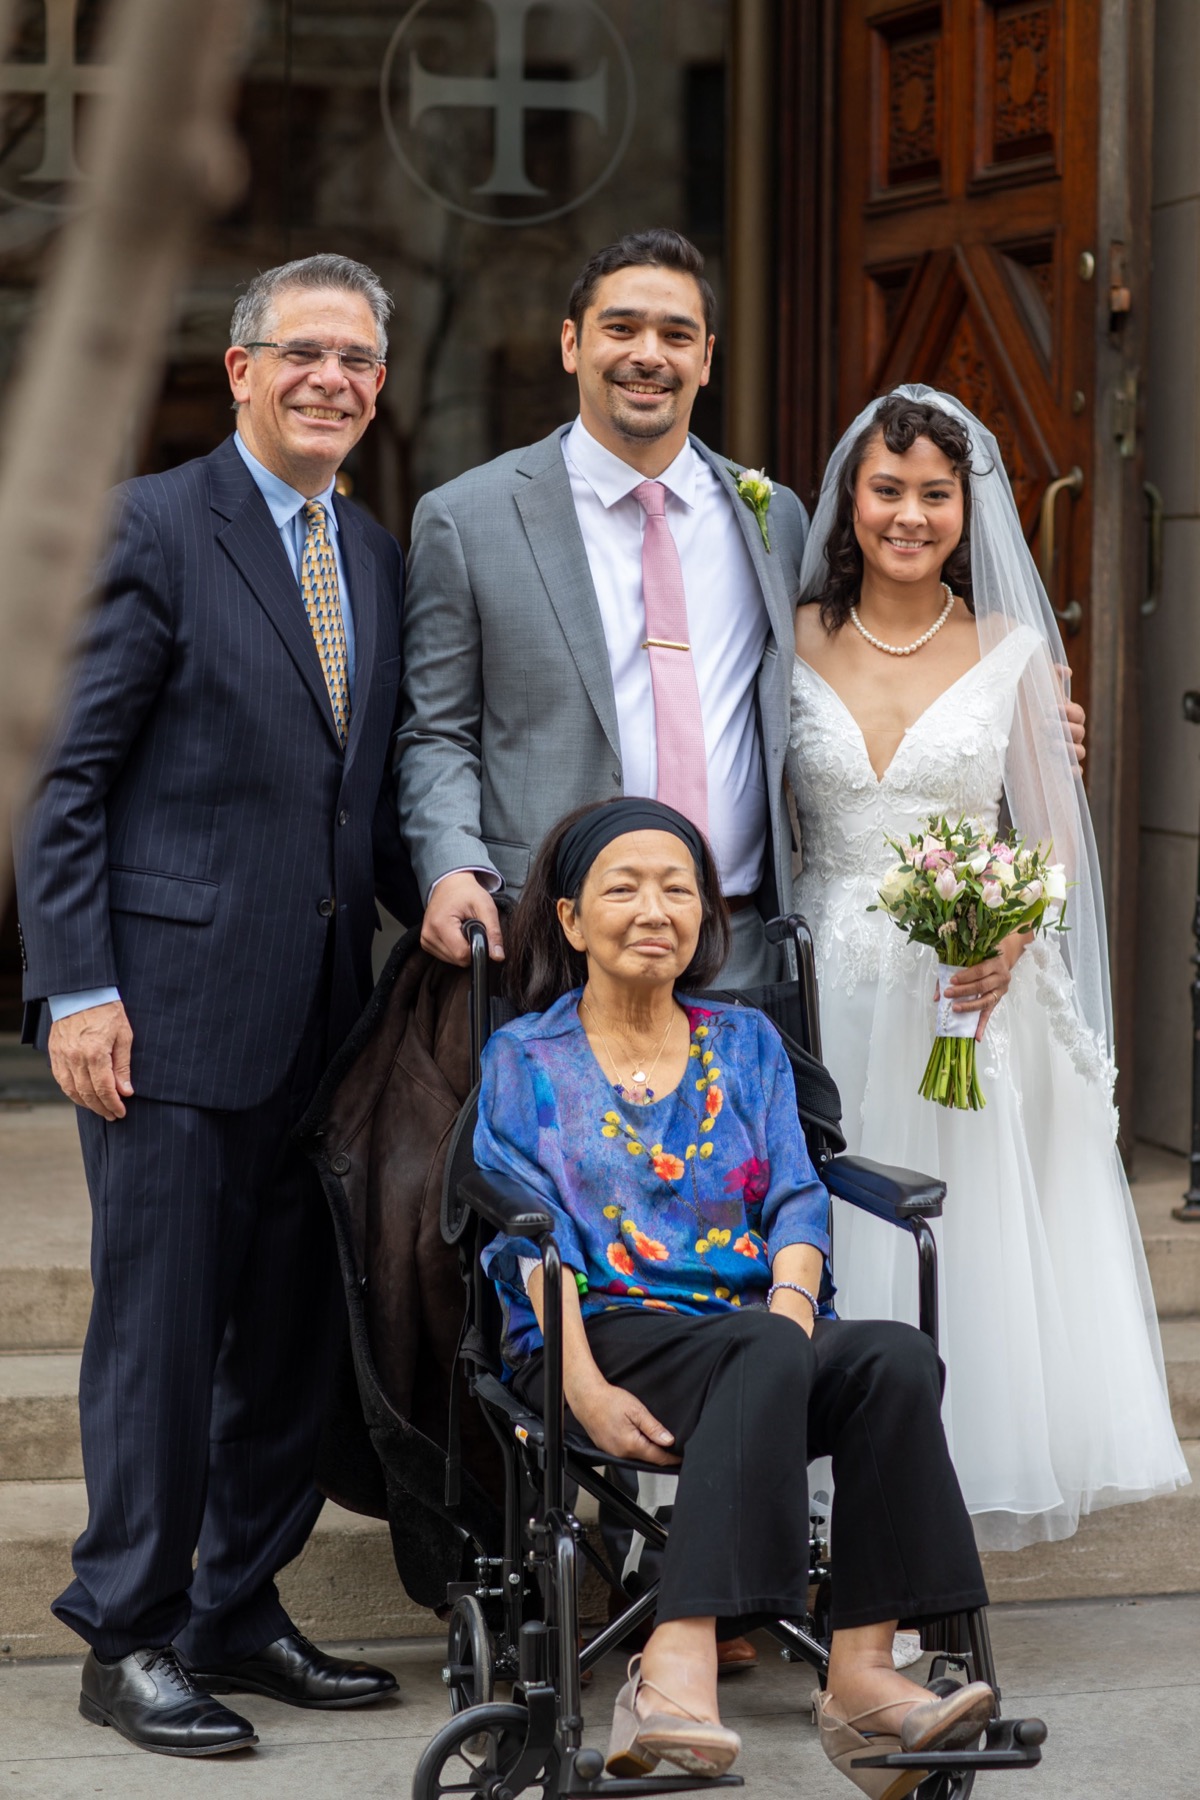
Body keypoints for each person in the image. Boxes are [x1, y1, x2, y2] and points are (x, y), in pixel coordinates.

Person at [14, 254, 419, 1755]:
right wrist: (78, 986)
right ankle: (123, 1634)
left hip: (322, 1023)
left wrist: (450, 894)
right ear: (240, 369)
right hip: (165, 1021)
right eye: (304, 350)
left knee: (293, 1338)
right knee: (162, 1341)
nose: (333, 378)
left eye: (360, 359)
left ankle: (236, 1609)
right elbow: (68, 783)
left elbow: (355, 802)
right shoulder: (153, 528)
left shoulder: (371, 556)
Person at [473, 796, 995, 1792]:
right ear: (573, 921)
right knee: (762, 1347)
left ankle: (864, 1675)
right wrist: (578, 1386)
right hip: (602, 1333)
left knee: (892, 1356)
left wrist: (793, 1318)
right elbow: (522, 1243)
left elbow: (799, 1199)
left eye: (678, 889)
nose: (654, 908)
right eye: (623, 888)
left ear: (707, 919)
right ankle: (671, 1666)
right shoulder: (526, 1061)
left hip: (755, 1342)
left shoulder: (747, 1043)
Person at [788, 386, 1188, 1550]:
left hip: (961, 996)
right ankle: (810, 1503)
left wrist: (1009, 937)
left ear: (969, 511)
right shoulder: (790, 635)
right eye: (887, 490)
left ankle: (919, 1521)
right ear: (847, 500)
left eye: (935, 496)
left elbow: (1052, 839)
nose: (908, 516)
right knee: (828, 1234)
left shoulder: (1011, 650)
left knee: (954, 1249)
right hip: (822, 992)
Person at [396, 227, 810, 993]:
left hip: (739, 948)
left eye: (675, 335)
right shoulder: (468, 518)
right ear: (570, 344)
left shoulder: (774, 520)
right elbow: (436, 730)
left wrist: (1011, 705)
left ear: (707, 358)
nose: (648, 354)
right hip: (550, 948)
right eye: (620, 328)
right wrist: (451, 865)